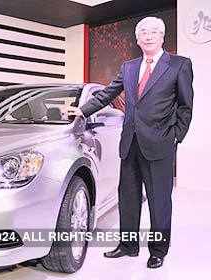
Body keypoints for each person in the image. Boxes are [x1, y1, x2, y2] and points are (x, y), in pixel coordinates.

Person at [68, 17, 193, 269]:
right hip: (130, 143)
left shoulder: (179, 65)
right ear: (137, 39)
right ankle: (128, 245)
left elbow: (185, 106)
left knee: (159, 201)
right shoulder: (128, 67)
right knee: (128, 197)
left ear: (162, 36)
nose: (148, 36)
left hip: (160, 145)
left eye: (154, 32)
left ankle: (158, 249)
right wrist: (82, 110)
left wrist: (175, 136)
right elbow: (107, 93)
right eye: (143, 32)